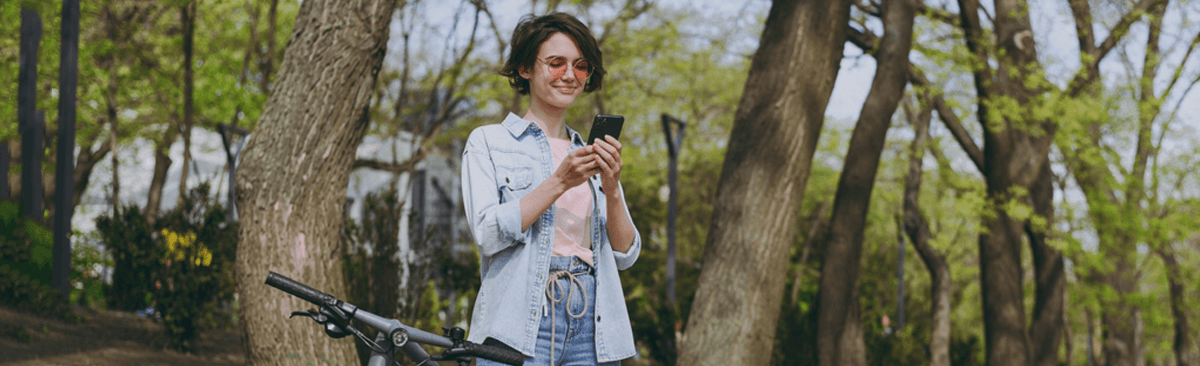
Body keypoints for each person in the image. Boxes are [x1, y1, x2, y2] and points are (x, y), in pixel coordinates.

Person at [461, 12, 642, 366]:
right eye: (556, 63)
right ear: (526, 68)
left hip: (592, 322)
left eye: (580, 65)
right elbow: (486, 232)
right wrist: (560, 181)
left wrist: (612, 185)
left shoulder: (586, 153)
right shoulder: (489, 141)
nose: (569, 75)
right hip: (517, 321)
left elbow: (625, 254)